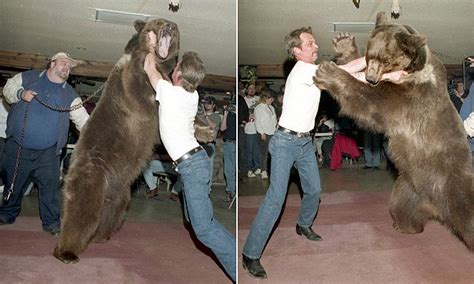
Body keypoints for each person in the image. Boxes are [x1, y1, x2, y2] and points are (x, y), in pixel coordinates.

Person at [242, 27, 369, 279]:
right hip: (284, 142)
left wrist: (379, 76)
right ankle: (250, 254)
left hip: (303, 144)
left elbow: (350, 79)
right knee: (275, 199)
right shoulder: (303, 70)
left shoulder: (313, 72)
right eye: (311, 43)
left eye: (314, 43)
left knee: (313, 190)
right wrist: (372, 55)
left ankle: (303, 225)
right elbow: (343, 71)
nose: (316, 46)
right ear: (297, 51)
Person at [143, 32, 235, 281]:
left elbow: (150, 69)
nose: (173, 71)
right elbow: (164, 81)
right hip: (194, 163)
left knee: (203, 230)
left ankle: (239, 267)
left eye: (176, 69)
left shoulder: (171, 93)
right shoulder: (190, 95)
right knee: (192, 218)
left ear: (179, 75)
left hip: (192, 166)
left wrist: (152, 46)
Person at [0, 52, 89, 237]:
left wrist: (96, 136)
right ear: (52, 63)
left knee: (50, 189)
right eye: (64, 63)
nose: (67, 68)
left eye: (69, 66)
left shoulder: (69, 94)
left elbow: (83, 120)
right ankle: (7, 215)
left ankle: (51, 223)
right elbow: (8, 89)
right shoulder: (29, 77)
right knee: (12, 183)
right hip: (18, 146)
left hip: (48, 152)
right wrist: (20, 93)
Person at [197, 96, 222, 191]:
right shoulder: (199, 116)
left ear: (213, 105)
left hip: (209, 144)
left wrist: (205, 116)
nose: (207, 105)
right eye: (206, 103)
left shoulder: (216, 116)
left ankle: (208, 188)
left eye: (209, 103)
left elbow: (213, 125)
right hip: (198, 143)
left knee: (209, 167)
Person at [254, 88, 277, 179]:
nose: (272, 100)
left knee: (271, 152)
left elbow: (274, 120)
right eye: (270, 98)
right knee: (264, 153)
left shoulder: (271, 107)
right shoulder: (258, 108)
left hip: (272, 132)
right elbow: (257, 121)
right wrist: (261, 132)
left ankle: (266, 168)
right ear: (265, 98)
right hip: (264, 133)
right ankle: (263, 170)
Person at [243, 83, 261, 177]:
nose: (252, 90)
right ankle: (249, 169)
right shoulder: (243, 100)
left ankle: (258, 167)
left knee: (257, 150)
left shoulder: (259, 99)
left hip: (258, 128)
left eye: (254, 88)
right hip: (249, 129)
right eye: (250, 88)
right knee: (249, 150)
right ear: (246, 90)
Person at [221, 102, 236, 202]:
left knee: (235, 169)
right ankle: (231, 191)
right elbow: (222, 128)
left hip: (236, 143)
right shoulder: (228, 115)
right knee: (228, 169)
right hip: (228, 144)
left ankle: (235, 191)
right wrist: (225, 114)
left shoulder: (238, 114)